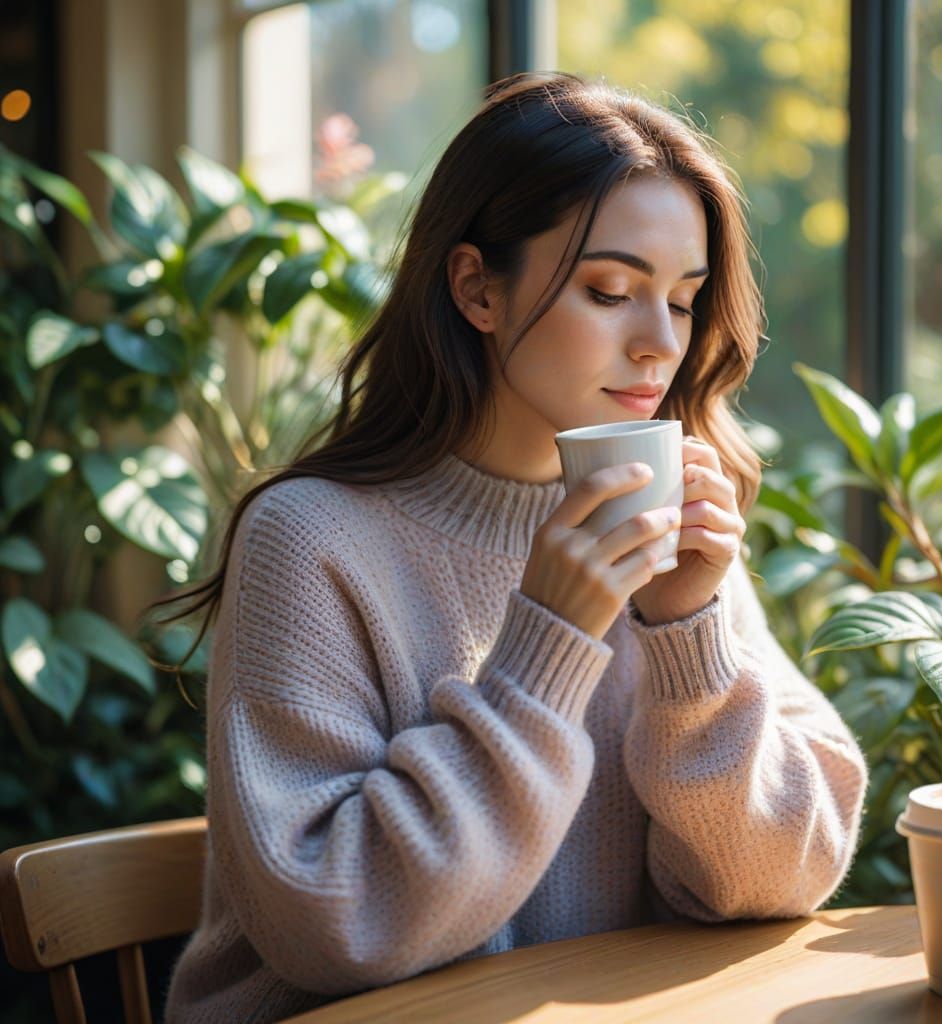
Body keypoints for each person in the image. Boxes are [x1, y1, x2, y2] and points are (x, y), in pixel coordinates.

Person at [157, 71, 868, 1024]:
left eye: (685, 300)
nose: (660, 343)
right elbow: (329, 925)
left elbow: (781, 880)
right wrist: (545, 645)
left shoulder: (665, 518)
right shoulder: (313, 539)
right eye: (610, 290)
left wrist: (691, 635)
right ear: (476, 287)